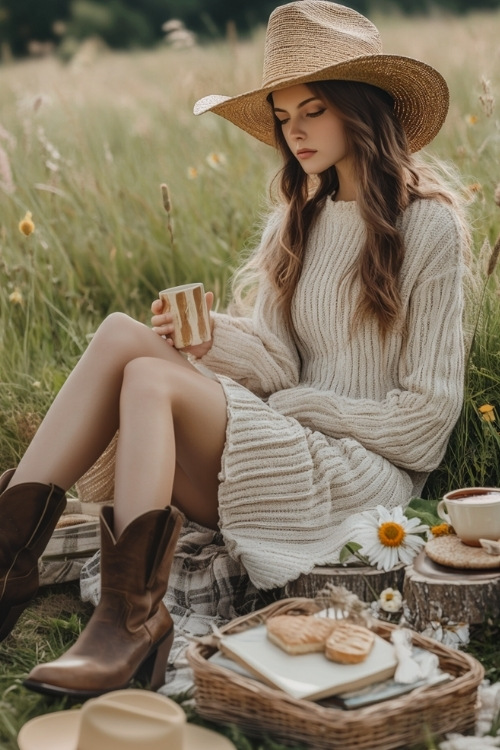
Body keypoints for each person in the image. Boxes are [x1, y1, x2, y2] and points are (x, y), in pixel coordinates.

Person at [0, 0, 469, 698]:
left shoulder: (427, 226)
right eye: (283, 117)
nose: (295, 132)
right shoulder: (298, 218)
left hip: (364, 474)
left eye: (312, 110)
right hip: (291, 442)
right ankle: (9, 563)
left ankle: (129, 622)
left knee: (152, 384)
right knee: (123, 338)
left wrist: (303, 404)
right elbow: (279, 362)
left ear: (360, 107)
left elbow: (426, 424)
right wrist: (210, 341)